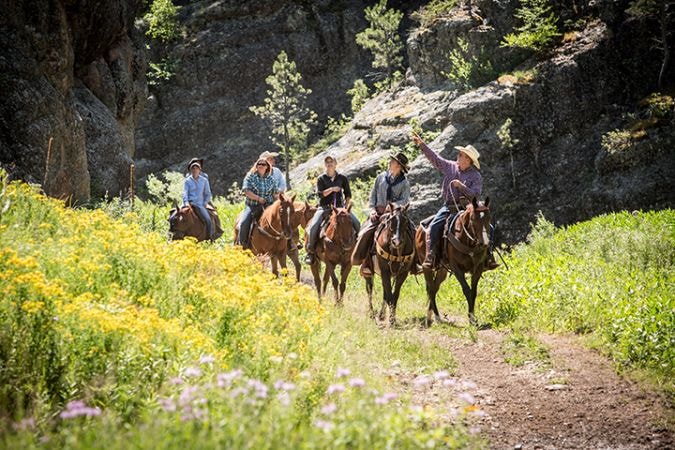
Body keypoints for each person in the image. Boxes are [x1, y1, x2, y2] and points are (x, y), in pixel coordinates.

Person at [411, 133, 498, 270]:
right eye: (459, 154)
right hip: (449, 207)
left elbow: (475, 194)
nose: (459, 156)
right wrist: (422, 145)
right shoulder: (450, 166)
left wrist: (461, 186)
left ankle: (488, 255)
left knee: (489, 228)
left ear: (468, 160)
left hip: (468, 208)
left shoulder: (476, 176)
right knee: (434, 226)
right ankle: (431, 256)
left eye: (462, 155)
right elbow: (435, 158)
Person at [352, 152, 411, 276]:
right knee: (364, 233)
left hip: (395, 214)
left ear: (399, 166)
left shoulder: (404, 183)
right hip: (378, 213)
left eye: (393, 161)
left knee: (413, 232)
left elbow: (405, 200)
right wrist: (373, 209)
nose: (390, 162)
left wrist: (392, 207)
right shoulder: (380, 177)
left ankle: (414, 263)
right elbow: (373, 194)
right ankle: (366, 263)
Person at [304, 155, 360, 264]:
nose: (329, 164)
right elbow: (321, 195)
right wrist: (332, 189)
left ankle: (358, 249)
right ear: (325, 164)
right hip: (324, 207)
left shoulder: (342, 178)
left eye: (331, 162)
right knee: (314, 226)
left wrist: (346, 207)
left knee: (357, 223)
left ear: (335, 164)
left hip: (340, 209)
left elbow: (348, 193)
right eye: (327, 162)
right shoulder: (321, 178)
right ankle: (311, 251)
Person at [237, 157, 279, 249]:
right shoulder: (250, 176)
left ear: (267, 167)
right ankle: (243, 244)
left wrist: (281, 199)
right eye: (258, 164)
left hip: (268, 206)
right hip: (252, 206)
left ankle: (290, 244)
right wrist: (258, 198)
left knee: (283, 219)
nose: (260, 166)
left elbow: (275, 193)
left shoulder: (271, 179)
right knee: (244, 222)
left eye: (263, 164)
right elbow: (246, 191)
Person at [182, 157, 215, 240]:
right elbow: (185, 192)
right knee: (175, 215)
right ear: (190, 170)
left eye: (197, 168)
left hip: (200, 204)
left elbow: (208, 193)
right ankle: (173, 234)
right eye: (193, 168)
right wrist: (186, 203)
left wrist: (204, 203)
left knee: (208, 220)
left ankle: (209, 237)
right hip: (189, 203)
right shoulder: (187, 181)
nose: (195, 170)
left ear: (199, 170)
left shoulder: (204, 180)